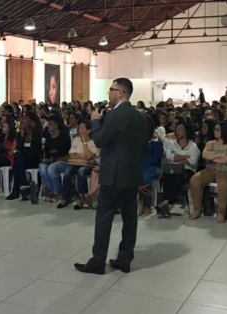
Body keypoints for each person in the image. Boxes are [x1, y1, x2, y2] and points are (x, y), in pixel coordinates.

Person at [74, 78, 148, 275]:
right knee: (130, 219)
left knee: (104, 218)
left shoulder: (115, 115)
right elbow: (142, 146)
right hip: (132, 174)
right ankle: (125, 259)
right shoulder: (141, 117)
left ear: (121, 93)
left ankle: (98, 262)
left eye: (111, 90)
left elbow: (99, 140)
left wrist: (96, 121)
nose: (108, 93)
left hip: (114, 175)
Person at [189, 121, 227, 222]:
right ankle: (197, 210)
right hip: (211, 168)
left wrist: (214, 157)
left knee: (223, 182)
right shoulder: (210, 143)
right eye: (214, 129)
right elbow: (205, 156)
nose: (214, 131)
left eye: (217, 129)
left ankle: (221, 212)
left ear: (224, 131)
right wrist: (221, 155)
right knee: (195, 180)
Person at [157, 120, 199, 217]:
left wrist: (176, 157)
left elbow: (192, 161)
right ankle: (166, 203)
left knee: (179, 176)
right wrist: (185, 157)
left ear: (186, 131)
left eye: (180, 129)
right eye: (177, 129)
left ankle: (166, 201)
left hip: (188, 170)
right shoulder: (171, 144)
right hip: (172, 168)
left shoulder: (193, 146)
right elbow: (169, 156)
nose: (177, 131)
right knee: (167, 175)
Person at [57, 120, 99, 209]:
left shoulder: (93, 142)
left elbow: (89, 157)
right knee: (68, 171)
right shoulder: (76, 140)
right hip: (76, 163)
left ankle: (81, 199)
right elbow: (71, 155)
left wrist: (84, 143)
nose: (79, 130)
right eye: (79, 128)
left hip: (88, 165)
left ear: (88, 131)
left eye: (82, 128)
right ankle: (64, 198)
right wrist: (82, 157)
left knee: (81, 171)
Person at [6, 111, 43, 200]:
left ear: (30, 123)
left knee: (17, 159)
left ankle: (16, 190)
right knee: (17, 160)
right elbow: (19, 148)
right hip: (23, 161)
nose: (21, 123)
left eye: (24, 122)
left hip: (34, 160)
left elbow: (34, 150)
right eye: (21, 122)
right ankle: (23, 181)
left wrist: (22, 151)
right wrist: (22, 134)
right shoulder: (20, 135)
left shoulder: (36, 134)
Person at [39, 115, 71, 202]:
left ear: (56, 125)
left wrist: (54, 159)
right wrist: (47, 160)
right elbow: (48, 153)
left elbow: (67, 154)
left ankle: (57, 192)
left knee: (51, 168)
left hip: (64, 161)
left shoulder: (64, 137)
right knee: (42, 167)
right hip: (52, 161)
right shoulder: (48, 139)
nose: (48, 126)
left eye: (50, 124)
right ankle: (52, 191)